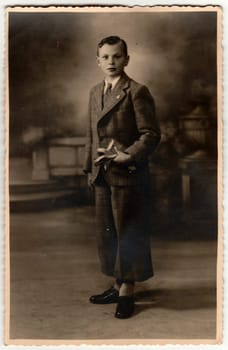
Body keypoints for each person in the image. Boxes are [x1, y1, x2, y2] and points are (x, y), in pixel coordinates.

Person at [83, 36, 161, 319]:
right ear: (98, 60)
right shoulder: (94, 92)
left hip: (127, 173)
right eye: (105, 57)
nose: (111, 62)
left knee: (127, 229)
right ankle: (116, 283)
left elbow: (151, 134)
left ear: (127, 59)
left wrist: (128, 155)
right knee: (108, 232)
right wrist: (88, 169)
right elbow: (92, 134)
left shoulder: (137, 92)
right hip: (102, 173)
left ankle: (127, 288)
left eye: (117, 56)